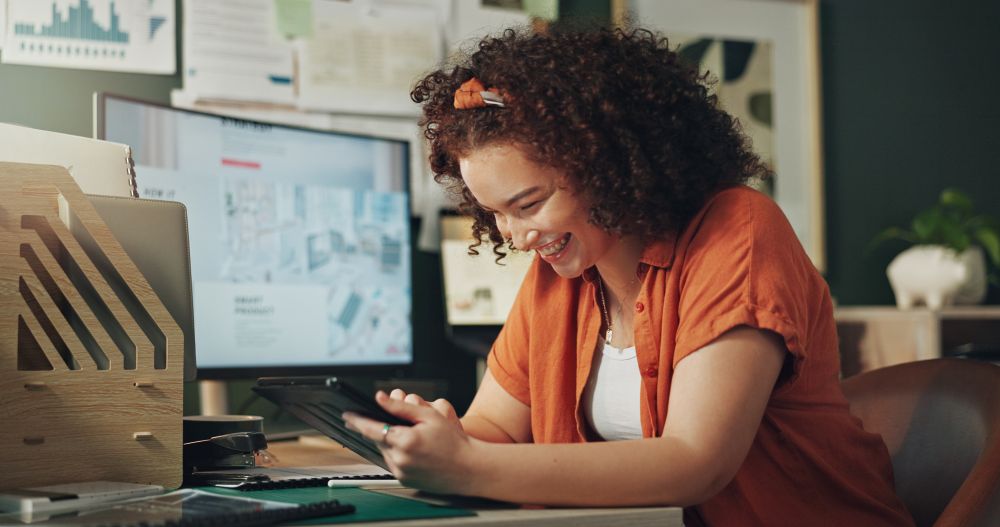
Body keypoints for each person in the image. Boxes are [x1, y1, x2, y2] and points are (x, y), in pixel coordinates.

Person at [343, 25, 915, 526]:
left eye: (530, 203)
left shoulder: (738, 230)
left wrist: (467, 465)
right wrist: (434, 439)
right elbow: (496, 424)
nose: (515, 236)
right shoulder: (561, 269)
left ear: (606, 164)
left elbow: (696, 462)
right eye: (494, 213)